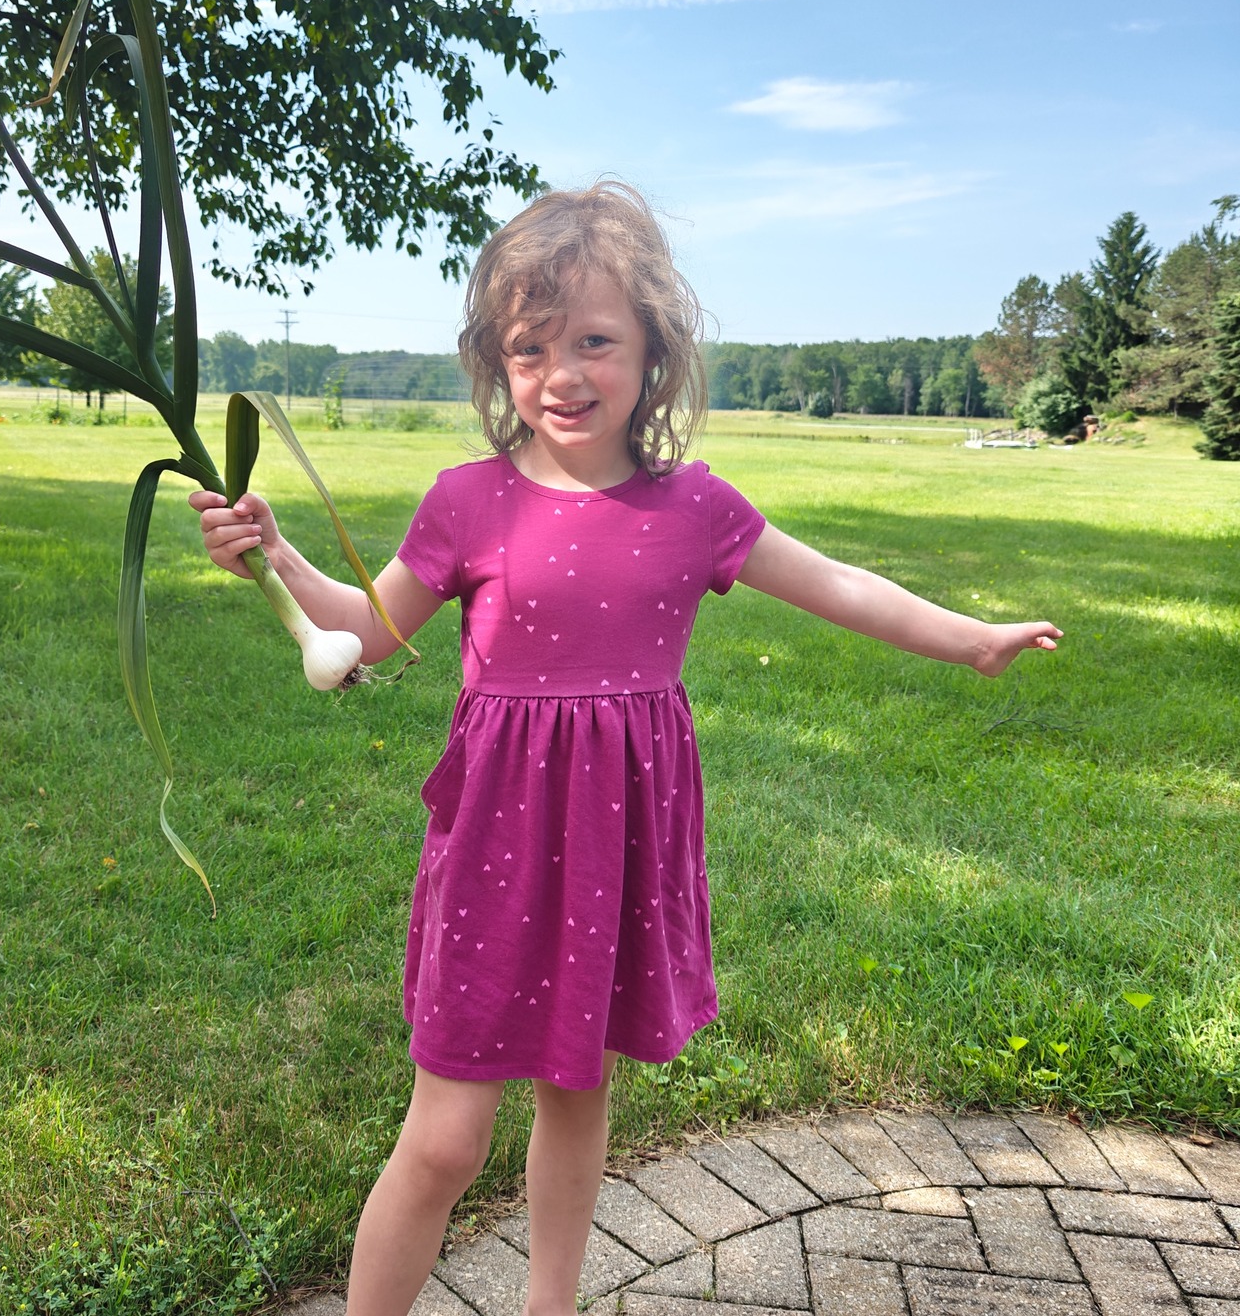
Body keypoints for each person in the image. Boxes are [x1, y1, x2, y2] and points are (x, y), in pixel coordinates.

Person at [190, 181, 1062, 1315]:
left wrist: (971, 639)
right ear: (497, 364)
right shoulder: (469, 502)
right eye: (530, 346)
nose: (563, 373)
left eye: (595, 340)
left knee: (578, 1092)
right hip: (495, 846)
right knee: (448, 1140)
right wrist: (276, 558)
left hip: (614, 848)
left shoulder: (695, 508)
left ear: (653, 350)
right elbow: (373, 630)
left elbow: (833, 582)